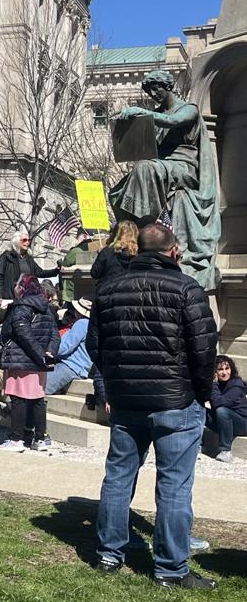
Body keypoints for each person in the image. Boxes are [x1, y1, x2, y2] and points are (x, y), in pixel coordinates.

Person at [88, 223, 218, 589]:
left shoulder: (108, 288)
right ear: (173, 249)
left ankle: (109, 554)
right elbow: (204, 349)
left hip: (128, 400)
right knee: (174, 486)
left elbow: (94, 346)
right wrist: (201, 391)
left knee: (118, 477)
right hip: (175, 401)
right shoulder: (186, 288)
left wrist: (114, 383)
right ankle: (171, 569)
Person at [110, 70, 220, 291]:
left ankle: (144, 225)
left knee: (145, 168)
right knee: (118, 188)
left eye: (156, 88)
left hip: (184, 166)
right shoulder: (155, 114)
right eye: (149, 90)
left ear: (167, 86)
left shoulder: (188, 109)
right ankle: (139, 227)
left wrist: (142, 113)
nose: (152, 94)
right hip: (161, 165)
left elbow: (173, 121)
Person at [0, 275, 59, 452]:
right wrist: (49, 354)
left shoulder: (21, 307)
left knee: (18, 399)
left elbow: (22, 334)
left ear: (22, 288)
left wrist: (40, 355)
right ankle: (40, 438)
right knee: (38, 399)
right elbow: (55, 334)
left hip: (21, 359)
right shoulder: (46, 308)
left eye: (17, 285)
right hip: (40, 361)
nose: (15, 287)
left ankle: (16, 439)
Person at [44, 299, 92, 396]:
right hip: (78, 367)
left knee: (40, 386)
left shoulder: (82, 323)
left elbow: (66, 346)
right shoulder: (90, 325)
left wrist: (50, 350)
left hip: (71, 366)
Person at [0, 232, 60, 300]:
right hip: (11, 296)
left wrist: (56, 270)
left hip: (27, 297)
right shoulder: (7, 256)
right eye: (24, 240)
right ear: (16, 241)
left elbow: (39, 272)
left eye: (28, 240)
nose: (27, 242)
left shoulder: (28, 258)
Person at [206, 355, 247, 463]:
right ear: (214, 372)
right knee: (200, 411)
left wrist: (213, 384)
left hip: (242, 423)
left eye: (227, 368)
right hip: (224, 422)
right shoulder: (215, 385)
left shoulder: (237, 384)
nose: (224, 372)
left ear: (231, 369)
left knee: (222, 411)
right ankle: (196, 445)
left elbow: (218, 403)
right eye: (220, 369)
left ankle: (226, 451)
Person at [60, 230, 90, 303]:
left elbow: (62, 269)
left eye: (77, 237)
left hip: (72, 294)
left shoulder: (76, 251)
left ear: (84, 236)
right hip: (86, 293)